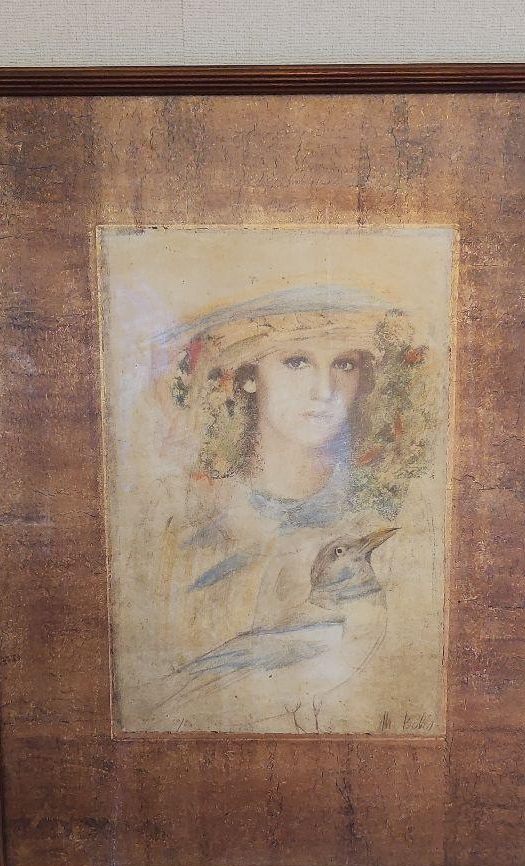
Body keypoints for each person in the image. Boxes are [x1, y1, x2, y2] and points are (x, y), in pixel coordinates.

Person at [124, 286, 440, 730]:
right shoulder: (177, 525)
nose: (324, 391)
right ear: (249, 375)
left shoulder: (400, 521)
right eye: (296, 362)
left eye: (344, 364)